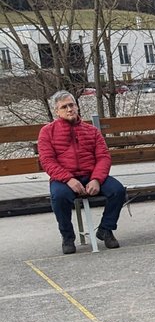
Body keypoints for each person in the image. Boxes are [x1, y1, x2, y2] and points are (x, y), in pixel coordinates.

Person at [38, 91, 126, 253]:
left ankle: (105, 229)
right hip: (64, 179)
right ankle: (68, 237)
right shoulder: (47, 132)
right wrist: (69, 179)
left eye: (72, 105)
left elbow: (103, 157)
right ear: (57, 111)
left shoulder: (91, 130)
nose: (69, 109)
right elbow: (47, 161)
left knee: (118, 190)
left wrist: (97, 179)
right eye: (64, 107)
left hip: (91, 175)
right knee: (59, 197)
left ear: (77, 107)